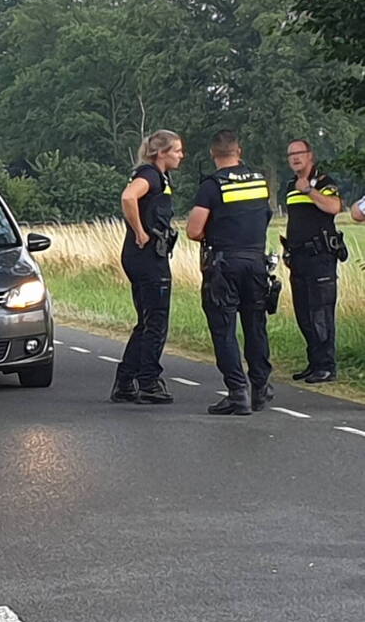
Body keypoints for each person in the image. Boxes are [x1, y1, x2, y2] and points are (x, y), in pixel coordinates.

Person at [186, 130, 273, 415]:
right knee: (255, 325)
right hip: (257, 263)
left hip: (224, 265)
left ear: (213, 154)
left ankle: (238, 393)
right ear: (240, 151)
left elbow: (194, 230)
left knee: (224, 329)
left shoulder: (212, 186)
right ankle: (260, 388)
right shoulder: (260, 182)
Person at [111, 130, 184, 404]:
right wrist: (141, 232)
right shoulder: (150, 175)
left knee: (146, 321)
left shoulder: (157, 176)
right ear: (161, 152)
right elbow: (129, 197)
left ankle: (125, 381)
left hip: (139, 257)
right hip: (147, 257)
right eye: (176, 150)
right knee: (156, 322)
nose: (181, 155)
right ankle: (149, 382)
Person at [281, 139, 344, 384]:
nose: (295, 158)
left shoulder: (325, 182)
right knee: (304, 313)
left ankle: (327, 366)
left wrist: (309, 190)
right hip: (299, 258)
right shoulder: (289, 186)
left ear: (310, 156)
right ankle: (314, 362)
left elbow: (334, 207)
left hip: (321, 258)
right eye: (290, 155)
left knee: (321, 313)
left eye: (299, 153)